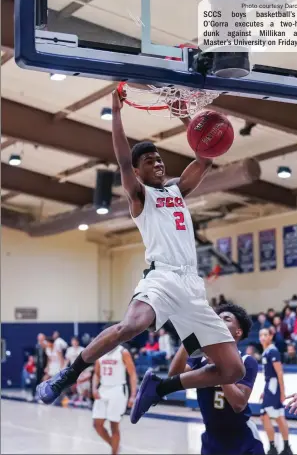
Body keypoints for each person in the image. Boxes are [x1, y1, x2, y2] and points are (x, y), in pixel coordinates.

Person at [37, 91, 245, 424]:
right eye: (149, 161)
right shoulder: (140, 196)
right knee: (132, 326)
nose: (158, 163)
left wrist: (185, 114)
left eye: (159, 159)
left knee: (233, 369)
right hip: (161, 277)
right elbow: (122, 159)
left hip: (192, 284)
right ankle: (69, 374)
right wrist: (117, 114)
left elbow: (204, 156)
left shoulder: (177, 189)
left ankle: (160, 388)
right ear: (137, 171)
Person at [169, 303, 264, 455]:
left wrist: (219, 366)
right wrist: (188, 340)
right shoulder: (199, 359)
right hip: (211, 441)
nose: (219, 321)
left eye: (226, 319)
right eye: (217, 318)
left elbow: (239, 403)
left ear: (238, 331)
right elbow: (173, 379)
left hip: (243, 441)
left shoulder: (246, 361)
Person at [92, 345, 137, 454]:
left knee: (114, 425)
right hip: (103, 389)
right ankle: (115, 446)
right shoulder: (100, 352)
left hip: (118, 389)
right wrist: (94, 388)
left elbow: (132, 374)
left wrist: (133, 395)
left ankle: (114, 452)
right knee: (97, 424)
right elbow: (96, 374)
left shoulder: (123, 352)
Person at [259, 328, 293, 455]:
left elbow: (279, 372)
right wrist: (265, 390)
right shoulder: (267, 351)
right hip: (270, 388)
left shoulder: (273, 351)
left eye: (265, 335)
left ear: (270, 337)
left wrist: (282, 392)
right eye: (261, 335)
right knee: (278, 417)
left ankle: (274, 447)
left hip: (274, 389)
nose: (263, 337)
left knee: (265, 416)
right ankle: (285, 447)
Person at [32, 333, 47, 399]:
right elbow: (35, 357)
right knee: (36, 379)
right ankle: (34, 394)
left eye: (42, 338)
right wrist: (34, 366)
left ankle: (44, 394)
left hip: (45, 366)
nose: (40, 340)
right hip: (38, 366)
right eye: (39, 338)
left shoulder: (46, 346)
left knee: (44, 380)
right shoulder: (37, 346)